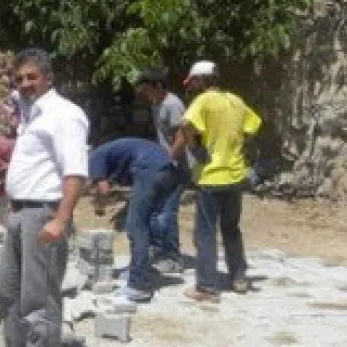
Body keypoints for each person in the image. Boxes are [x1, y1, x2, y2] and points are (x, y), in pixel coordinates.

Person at [0, 48, 88, 347]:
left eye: (32, 77)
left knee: (39, 295)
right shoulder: (32, 114)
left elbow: (75, 173)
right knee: (8, 290)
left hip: (44, 213)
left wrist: (61, 220)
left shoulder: (65, 115)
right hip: (21, 212)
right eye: (20, 79)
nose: (25, 84)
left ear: (48, 77)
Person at [170, 60, 262, 302]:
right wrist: (238, 145)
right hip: (235, 175)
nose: (192, 87)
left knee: (206, 232)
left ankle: (207, 286)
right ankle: (239, 277)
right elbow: (254, 125)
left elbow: (186, 124)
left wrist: (195, 147)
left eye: (193, 82)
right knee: (231, 229)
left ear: (200, 80)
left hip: (211, 176)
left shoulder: (203, 101)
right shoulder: (235, 100)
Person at [88, 137, 181, 303]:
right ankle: (144, 269)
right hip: (168, 170)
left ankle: (139, 285)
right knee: (149, 220)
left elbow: (103, 189)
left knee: (136, 226)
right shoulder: (114, 152)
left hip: (150, 168)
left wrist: (100, 205)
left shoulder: (95, 156)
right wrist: (123, 210)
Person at [136, 68, 188, 272]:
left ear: (158, 86)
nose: (145, 96)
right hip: (163, 166)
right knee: (155, 211)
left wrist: (167, 161)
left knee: (166, 213)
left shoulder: (172, 105)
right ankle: (158, 250)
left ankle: (173, 258)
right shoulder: (157, 104)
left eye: (147, 91)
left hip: (176, 166)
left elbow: (181, 138)